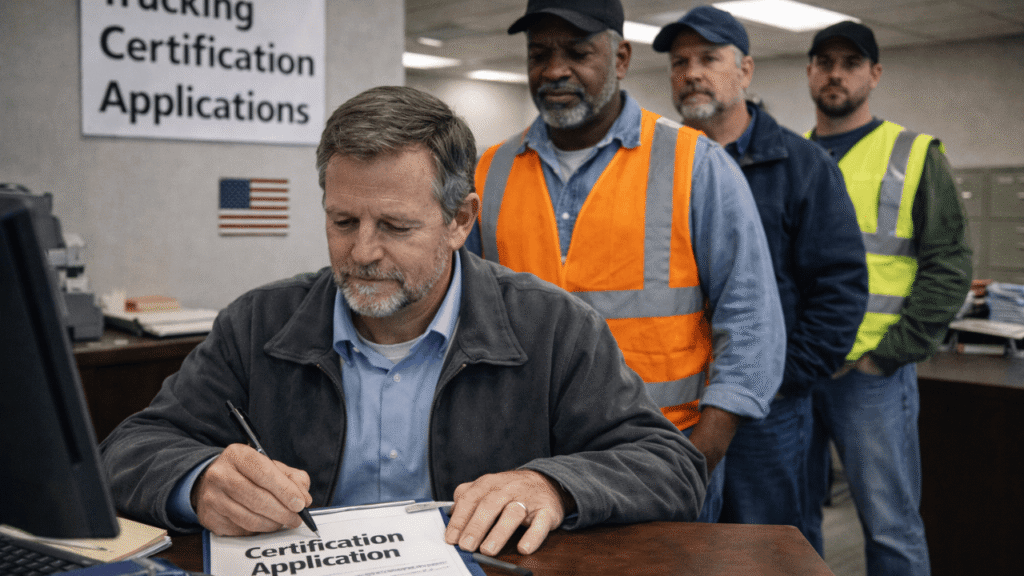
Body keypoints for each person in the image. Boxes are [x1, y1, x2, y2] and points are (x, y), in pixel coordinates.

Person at [99, 86, 708, 557]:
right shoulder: (258, 323)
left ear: (461, 219)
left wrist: (553, 486)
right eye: (343, 222)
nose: (362, 252)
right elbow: (126, 451)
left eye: (394, 226)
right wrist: (198, 479)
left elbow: (671, 466)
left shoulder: (554, 328)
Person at [472, 0, 786, 522]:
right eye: (539, 53)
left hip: (661, 458)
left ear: (620, 58)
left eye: (577, 52)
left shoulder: (695, 164)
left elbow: (752, 321)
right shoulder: (489, 171)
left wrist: (696, 458)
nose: (554, 70)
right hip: (525, 470)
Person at [652, 6, 868, 539]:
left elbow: (839, 290)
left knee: (768, 543)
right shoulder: (656, 168)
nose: (692, 73)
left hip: (765, 413)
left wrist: (778, 381)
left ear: (745, 70)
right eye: (680, 62)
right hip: (675, 408)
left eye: (708, 58)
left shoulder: (802, 165)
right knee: (681, 547)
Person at [803, 21, 972, 575]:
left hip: (869, 376)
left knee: (890, 527)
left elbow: (948, 265)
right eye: (824, 61)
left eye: (850, 63)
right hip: (798, 377)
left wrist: (890, 354)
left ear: (873, 74)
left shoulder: (914, 153)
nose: (835, 73)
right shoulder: (792, 158)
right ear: (809, 71)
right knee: (793, 524)